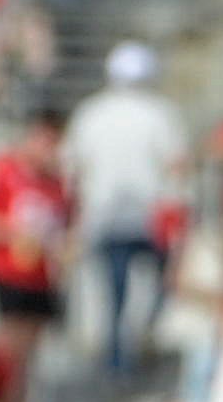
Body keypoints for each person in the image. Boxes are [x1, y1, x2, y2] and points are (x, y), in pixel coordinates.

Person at [61, 43, 190, 377]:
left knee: (114, 289)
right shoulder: (161, 113)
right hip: (149, 214)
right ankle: (136, 343)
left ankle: (118, 354)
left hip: (105, 214)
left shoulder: (91, 113)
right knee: (159, 282)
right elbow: (177, 166)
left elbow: (72, 168)